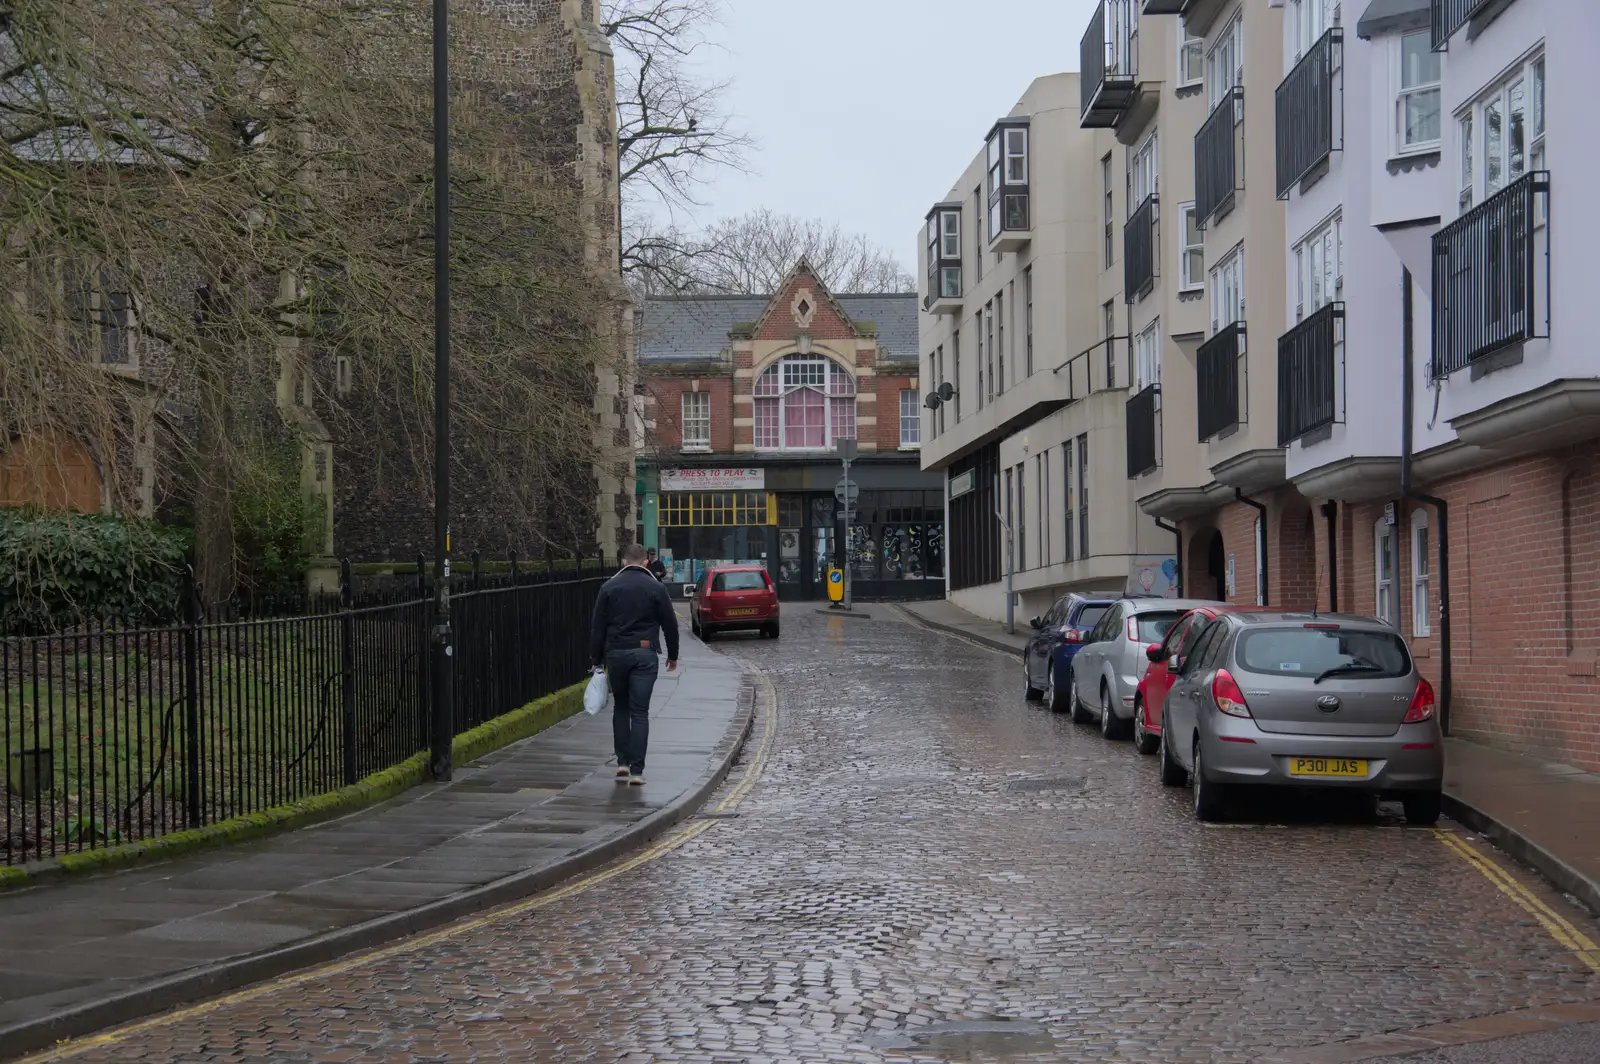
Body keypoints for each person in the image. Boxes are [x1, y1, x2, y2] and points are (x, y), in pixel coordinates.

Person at [590, 542, 680, 785]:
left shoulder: (608, 587)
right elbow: (670, 624)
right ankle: (637, 771)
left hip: (616, 654)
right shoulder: (656, 587)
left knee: (621, 708)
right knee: (640, 712)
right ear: (646, 562)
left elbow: (598, 628)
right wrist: (673, 656)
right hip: (644, 653)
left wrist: (595, 660)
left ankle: (622, 763)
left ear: (623, 562)